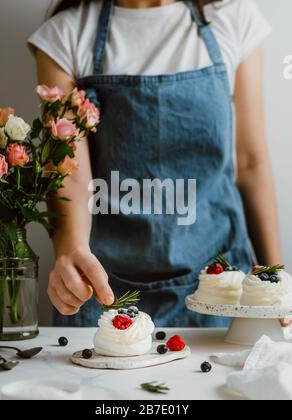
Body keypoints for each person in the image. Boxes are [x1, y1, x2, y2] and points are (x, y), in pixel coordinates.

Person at [28, 0, 283, 328]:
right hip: (102, 293)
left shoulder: (232, 21)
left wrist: (275, 284)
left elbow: (250, 162)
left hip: (221, 290)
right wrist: (70, 251)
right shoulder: (65, 35)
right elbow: (69, 175)